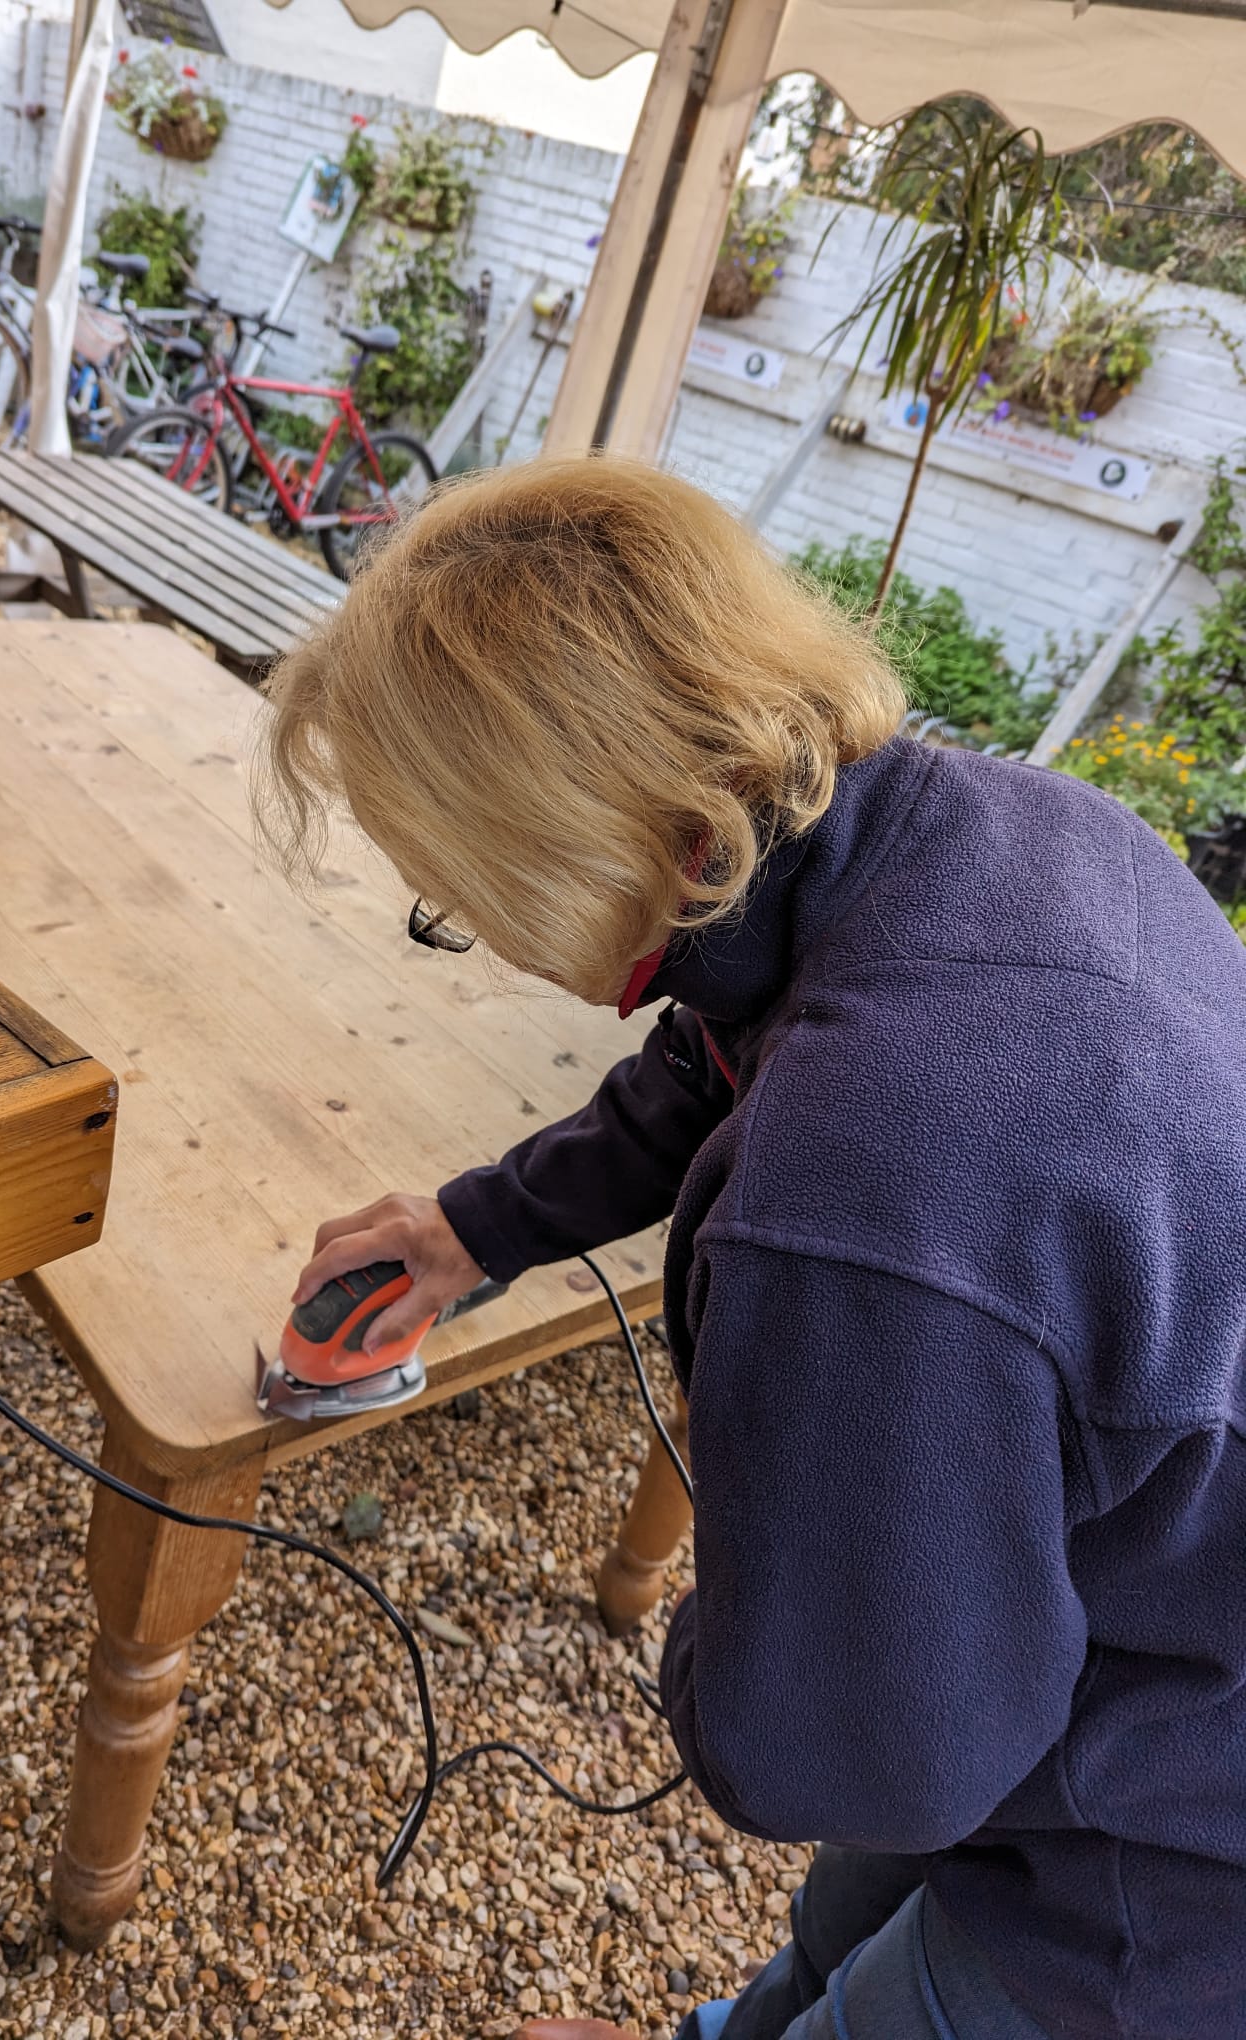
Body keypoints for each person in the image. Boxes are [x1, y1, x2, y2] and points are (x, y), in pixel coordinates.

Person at [252, 455, 1246, 2040]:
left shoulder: (862, 1201)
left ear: (599, 846)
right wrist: (481, 1224)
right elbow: (724, 1032)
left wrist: (756, 1621)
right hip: (1123, 1619)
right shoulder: (986, 829)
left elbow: (863, 1756)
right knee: (834, 1953)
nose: (482, 935)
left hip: (1171, 1874)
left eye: (455, 903)